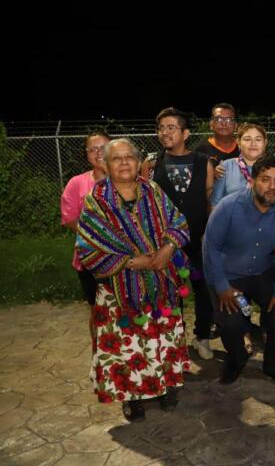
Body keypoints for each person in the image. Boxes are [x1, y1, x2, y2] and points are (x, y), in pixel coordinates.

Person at [76, 138, 191, 422]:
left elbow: (179, 222)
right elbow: (88, 249)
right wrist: (129, 262)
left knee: (161, 338)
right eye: (117, 158)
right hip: (119, 292)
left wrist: (166, 250)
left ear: (139, 162)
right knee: (127, 347)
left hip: (160, 283)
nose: (125, 162)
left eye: (130, 157)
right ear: (106, 164)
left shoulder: (152, 190)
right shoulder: (97, 201)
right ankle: (131, 397)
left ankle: (164, 388)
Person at [203, 156, 275, 387]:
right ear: (253, 180)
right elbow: (210, 248)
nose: (272, 187)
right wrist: (222, 287)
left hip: (261, 272)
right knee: (232, 323)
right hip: (227, 275)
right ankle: (237, 358)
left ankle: (274, 364)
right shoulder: (228, 206)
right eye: (265, 180)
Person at [142, 107, 215, 361]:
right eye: (161, 128)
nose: (164, 132)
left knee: (203, 289)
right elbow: (145, 203)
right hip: (167, 245)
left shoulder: (203, 162)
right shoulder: (151, 163)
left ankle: (202, 337)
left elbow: (208, 199)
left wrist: (209, 233)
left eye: (170, 127)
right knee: (170, 293)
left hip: (197, 242)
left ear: (186, 132)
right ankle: (175, 339)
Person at [61, 130, 109, 336]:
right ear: (87, 154)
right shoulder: (77, 183)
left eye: (103, 147)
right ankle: (99, 357)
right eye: (93, 149)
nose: (98, 153)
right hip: (89, 259)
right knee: (98, 312)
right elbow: (69, 217)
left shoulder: (127, 177)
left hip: (126, 260)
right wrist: (96, 237)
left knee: (126, 311)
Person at [211, 122, 267, 207]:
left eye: (258, 139)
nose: (253, 143)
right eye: (247, 139)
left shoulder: (274, 168)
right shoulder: (226, 167)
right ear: (239, 142)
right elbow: (215, 204)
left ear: (265, 142)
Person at [196, 103, 239, 168]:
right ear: (211, 124)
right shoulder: (200, 151)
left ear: (235, 125)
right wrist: (211, 173)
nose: (224, 123)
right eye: (219, 119)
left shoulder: (243, 148)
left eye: (229, 119)